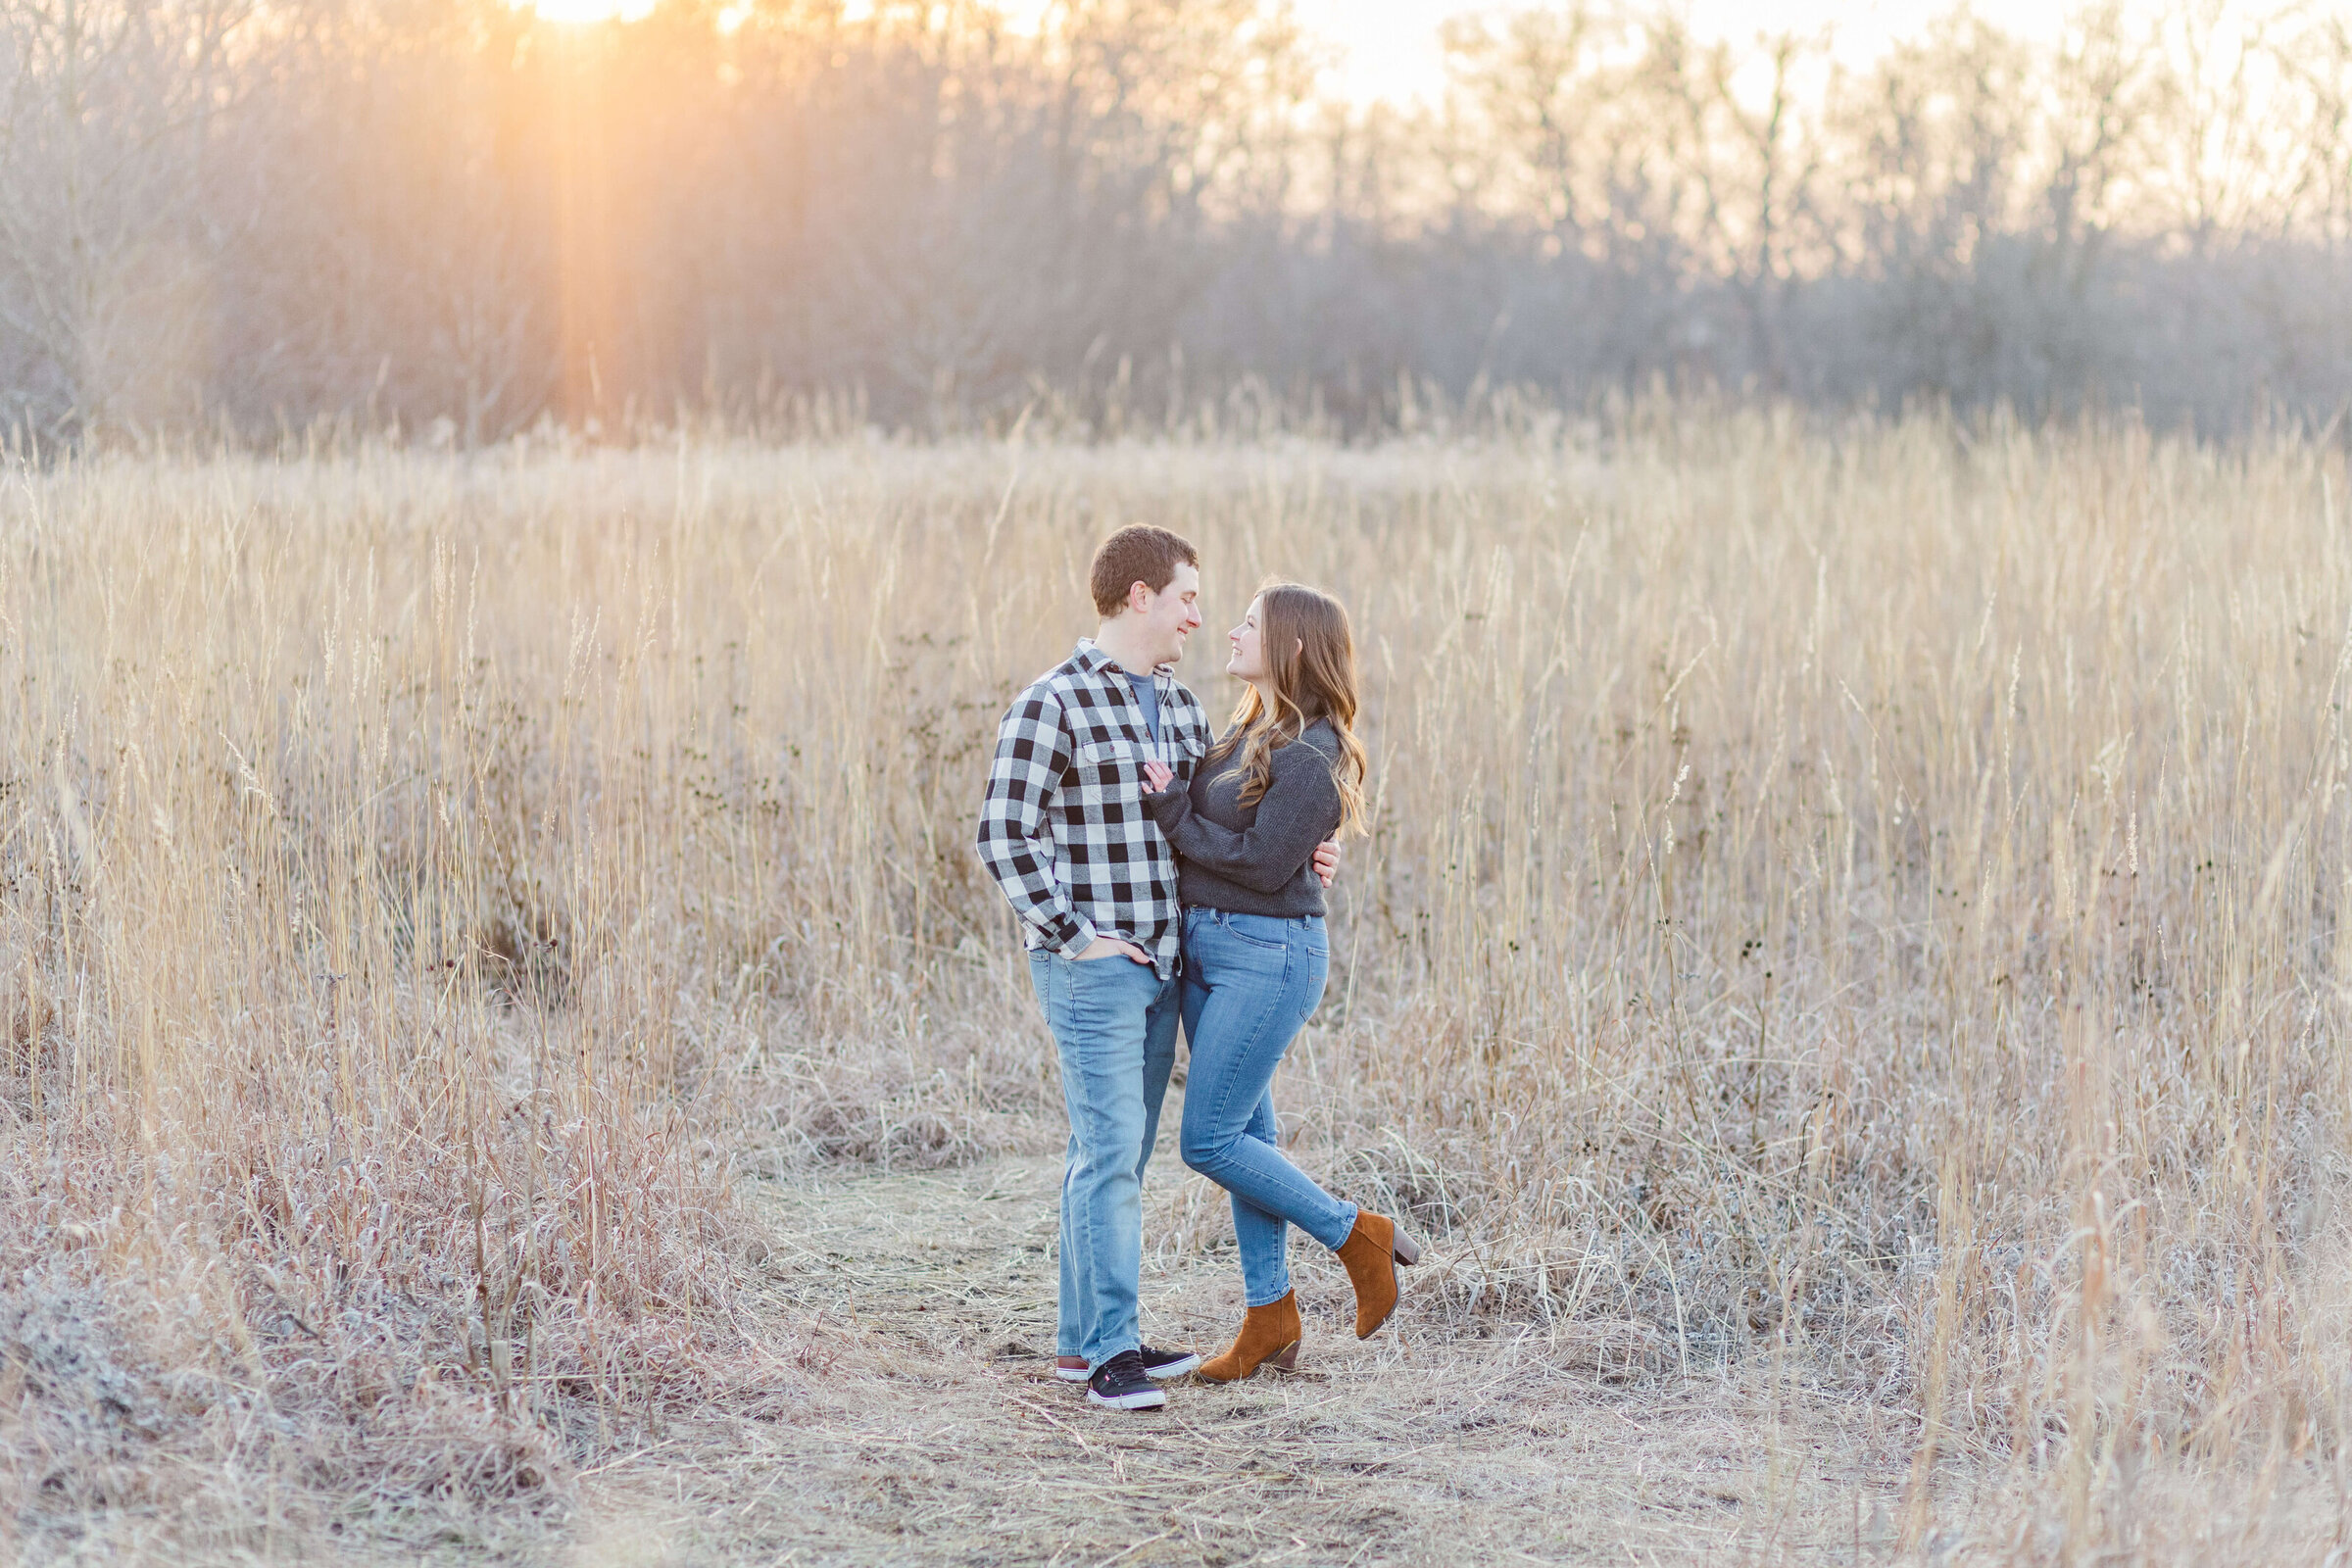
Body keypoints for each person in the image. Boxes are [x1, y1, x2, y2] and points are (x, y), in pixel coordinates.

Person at [974, 528, 1340, 1411]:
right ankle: (1112, 1359)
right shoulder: (1052, 703)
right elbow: (1001, 835)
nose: (1198, 616)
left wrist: (1306, 859)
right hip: (1093, 968)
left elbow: (1219, 825)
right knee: (1107, 1159)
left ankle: (1078, 1346)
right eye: (1185, 597)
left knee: (1115, 1159)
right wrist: (1074, 932)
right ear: (1139, 596)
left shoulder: (1178, 709)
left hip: (1171, 964)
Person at [1141, 582, 1420, 1384]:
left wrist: (1171, 816)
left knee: (1210, 1141)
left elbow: (1263, 865)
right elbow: (1255, 842)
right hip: (1214, 950)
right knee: (1247, 1143)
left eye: (1250, 624)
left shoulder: (1315, 751)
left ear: (1294, 645)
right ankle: (1270, 1317)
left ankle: (1355, 1234)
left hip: (1268, 957)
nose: (1229, 632)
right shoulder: (1248, 729)